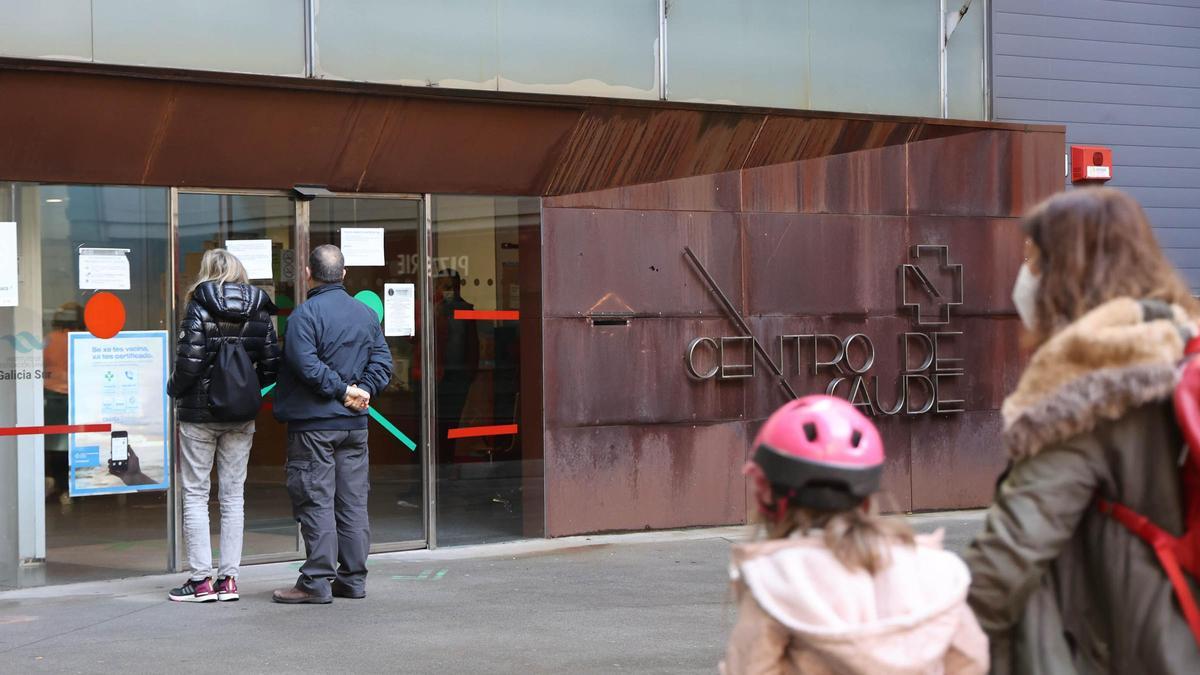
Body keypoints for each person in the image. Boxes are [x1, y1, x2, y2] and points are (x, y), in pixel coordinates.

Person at [963, 187, 1200, 673]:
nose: (1024, 276)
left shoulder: (1088, 394)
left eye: (1033, 259)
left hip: (1113, 649)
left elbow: (1008, 557)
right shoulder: (1182, 354)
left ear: (1065, 274)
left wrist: (932, 638)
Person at [721, 395, 988, 674]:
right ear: (867, 492)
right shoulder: (936, 572)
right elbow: (971, 660)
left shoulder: (777, 581)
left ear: (764, 489)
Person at [272, 244, 392, 604]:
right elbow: (383, 363)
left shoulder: (303, 317)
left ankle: (315, 582)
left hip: (313, 428)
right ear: (343, 274)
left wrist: (342, 391)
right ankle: (353, 579)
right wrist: (362, 391)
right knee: (353, 502)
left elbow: (307, 367)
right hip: (354, 426)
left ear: (308, 274)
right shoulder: (365, 315)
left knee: (316, 500)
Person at [166, 249, 281, 602]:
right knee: (233, 497)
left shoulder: (198, 306)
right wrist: (247, 390)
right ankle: (228, 580)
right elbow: (272, 365)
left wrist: (173, 390)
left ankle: (201, 581)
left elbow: (189, 364)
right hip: (240, 416)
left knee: (197, 495)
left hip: (199, 416)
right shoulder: (261, 310)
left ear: (206, 272)